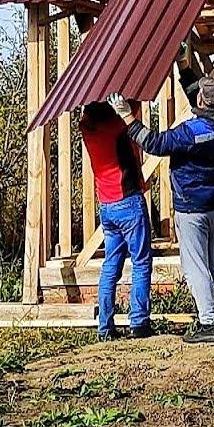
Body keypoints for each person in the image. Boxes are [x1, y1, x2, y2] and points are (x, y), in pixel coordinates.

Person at [107, 68, 214, 343]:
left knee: (195, 266)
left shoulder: (192, 132)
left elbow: (154, 143)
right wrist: (183, 64)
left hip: (193, 207)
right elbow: (200, 96)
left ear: (202, 103)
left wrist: (125, 115)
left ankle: (208, 324)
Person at [78, 100, 153, 341]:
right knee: (141, 262)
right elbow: (135, 107)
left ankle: (105, 327)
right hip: (128, 202)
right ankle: (139, 323)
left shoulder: (87, 128)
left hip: (107, 206)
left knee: (111, 266)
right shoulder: (117, 126)